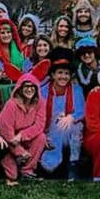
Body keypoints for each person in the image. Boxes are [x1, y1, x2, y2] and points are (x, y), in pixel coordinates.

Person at [39, 50, 85, 180]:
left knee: (73, 127)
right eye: (59, 73)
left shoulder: (76, 88)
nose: (63, 77)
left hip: (69, 128)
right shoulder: (43, 91)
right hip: (47, 128)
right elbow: (38, 114)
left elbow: (81, 110)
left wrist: (71, 117)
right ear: (53, 74)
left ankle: (73, 165)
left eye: (66, 73)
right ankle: (46, 167)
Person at [0, 70, 48, 185]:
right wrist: (19, 151)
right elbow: (6, 132)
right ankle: (11, 163)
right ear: (20, 88)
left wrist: (21, 135)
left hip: (24, 139)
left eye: (33, 87)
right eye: (26, 86)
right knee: (12, 175)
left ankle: (27, 170)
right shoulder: (11, 105)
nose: (30, 89)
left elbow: (39, 125)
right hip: (9, 144)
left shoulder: (40, 103)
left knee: (41, 137)